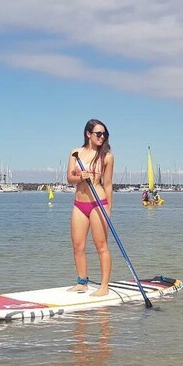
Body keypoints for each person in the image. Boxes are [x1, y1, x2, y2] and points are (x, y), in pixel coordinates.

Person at [67, 119, 114, 297]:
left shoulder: (107, 156)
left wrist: (109, 208)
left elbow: (108, 184)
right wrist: (81, 177)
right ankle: (82, 282)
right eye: (98, 134)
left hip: (98, 204)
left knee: (101, 246)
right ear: (88, 134)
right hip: (79, 204)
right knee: (78, 246)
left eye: (104, 134)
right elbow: (69, 178)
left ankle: (104, 286)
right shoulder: (75, 153)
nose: (102, 137)